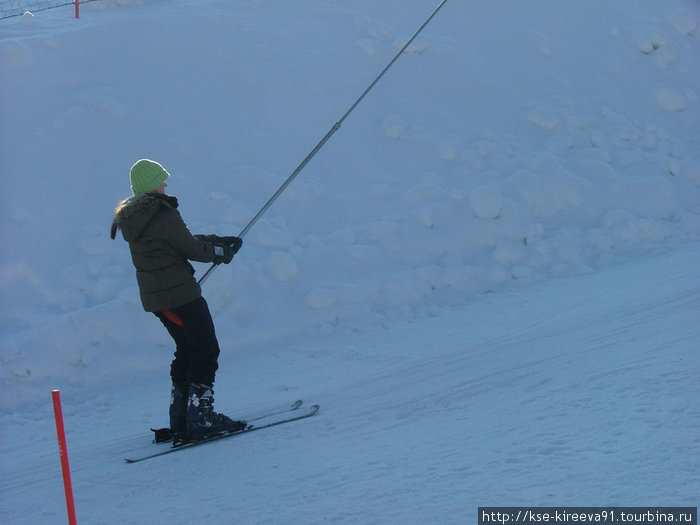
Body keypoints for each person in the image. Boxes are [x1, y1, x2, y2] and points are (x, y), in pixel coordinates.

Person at [111, 158, 244, 444]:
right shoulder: (162, 213)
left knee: (186, 349)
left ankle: (181, 419)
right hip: (181, 295)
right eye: (161, 179)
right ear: (151, 185)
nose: (165, 184)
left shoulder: (136, 218)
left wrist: (214, 239)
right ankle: (202, 418)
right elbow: (190, 247)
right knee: (206, 349)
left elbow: (173, 240)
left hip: (159, 300)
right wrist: (219, 251)